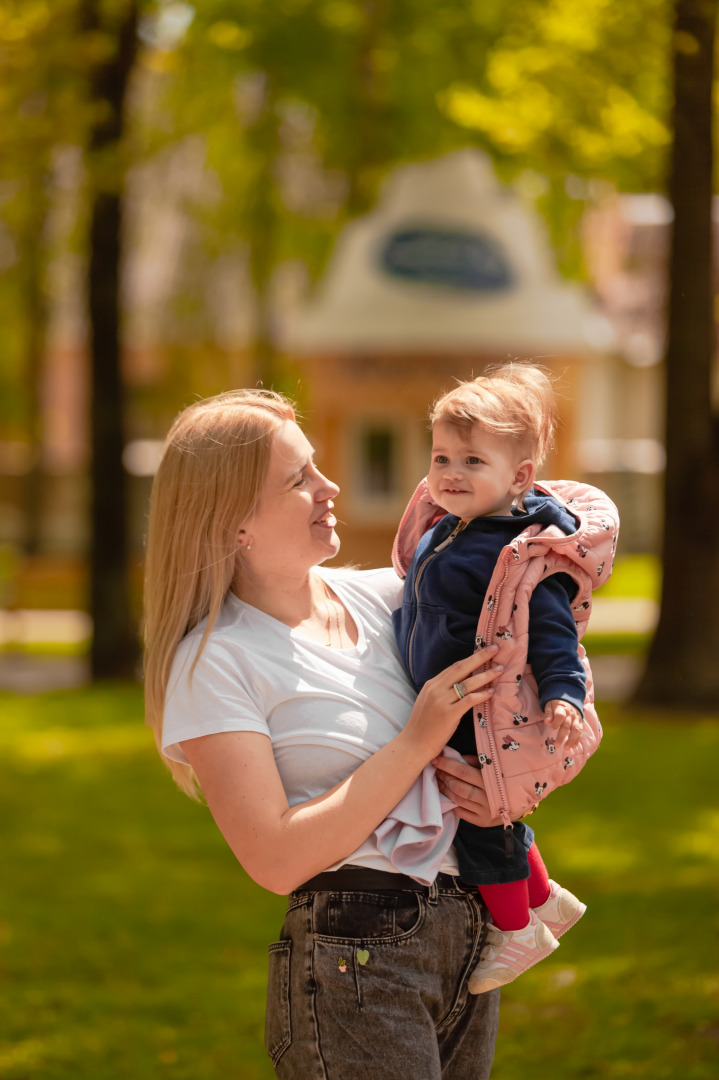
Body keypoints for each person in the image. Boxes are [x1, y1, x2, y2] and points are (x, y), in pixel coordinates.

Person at [143, 388, 507, 1080]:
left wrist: (497, 799)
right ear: (233, 524)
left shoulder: (393, 597)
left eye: (315, 467)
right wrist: (414, 743)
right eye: (298, 479)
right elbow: (275, 858)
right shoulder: (215, 660)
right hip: (355, 957)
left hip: (466, 932)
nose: (329, 485)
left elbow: (515, 682)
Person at [392, 363, 616, 995]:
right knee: (497, 812)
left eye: (471, 461)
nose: (449, 475)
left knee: (482, 817)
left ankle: (514, 927)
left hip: (482, 707)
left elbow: (552, 633)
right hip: (451, 698)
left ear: (518, 477)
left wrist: (564, 694)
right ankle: (545, 897)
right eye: (440, 458)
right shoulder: (452, 528)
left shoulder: (517, 553)